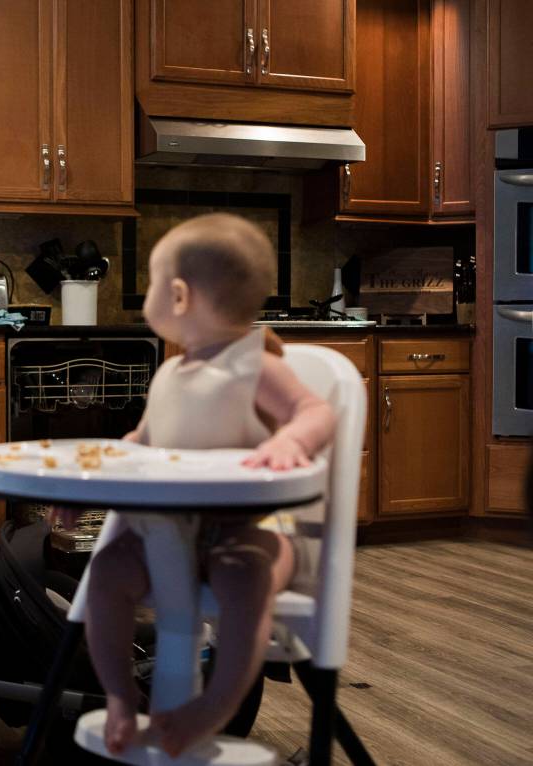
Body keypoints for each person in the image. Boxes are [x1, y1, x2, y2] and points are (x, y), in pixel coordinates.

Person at [53, 213, 336, 757]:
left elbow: (315, 409)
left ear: (178, 296)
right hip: (165, 531)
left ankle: (214, 707)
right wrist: (82, 488)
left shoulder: (254, 365)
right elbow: (132, 449)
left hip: (244, 529)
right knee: (109, 571)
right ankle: (119, 696)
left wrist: (291, 440)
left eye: (154, 284)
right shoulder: (169, 375)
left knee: (246, 582)